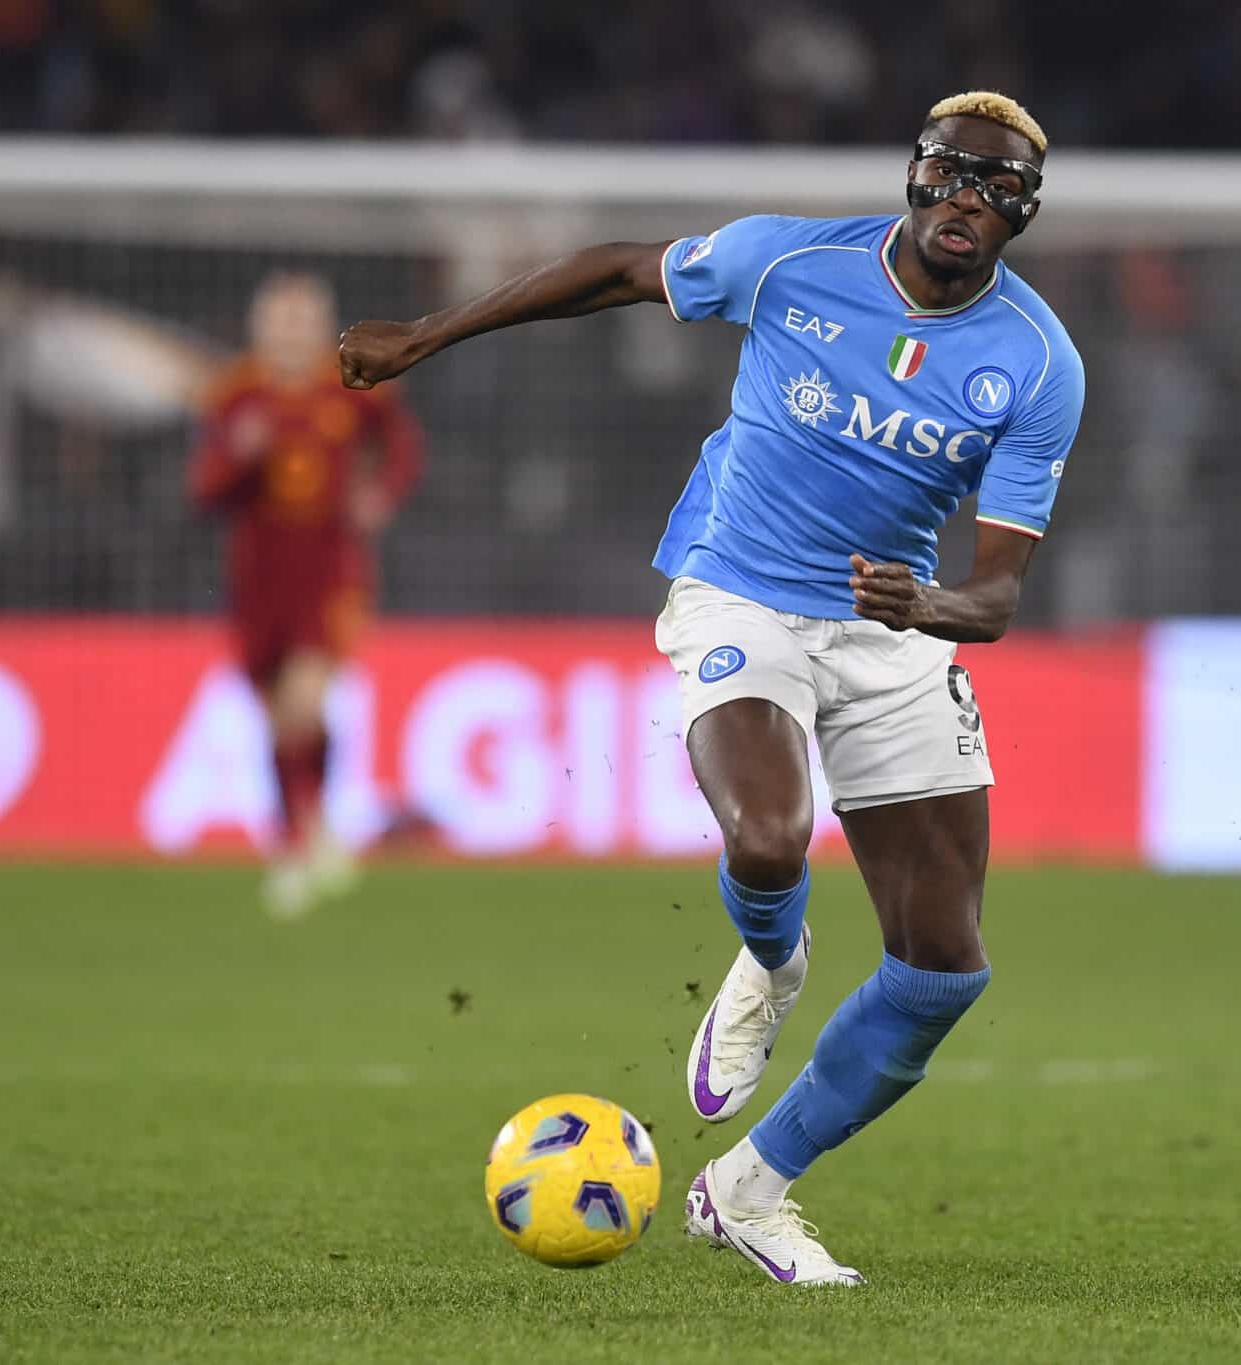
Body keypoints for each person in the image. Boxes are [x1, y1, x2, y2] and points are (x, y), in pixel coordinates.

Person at [339, 91, 1082, 1286]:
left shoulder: (1038, 365)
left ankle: (746, 1191)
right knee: (770, 837)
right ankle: (773, 965)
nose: (967, 200)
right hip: (742, 591)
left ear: (1024, 216)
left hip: (894, 628)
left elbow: (993, 597)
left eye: (998, 189)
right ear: (913, 174)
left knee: (942, 970)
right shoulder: (786, 261)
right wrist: (427, 335)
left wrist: (927, 607)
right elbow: (614, 271)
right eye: (951, 171)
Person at [190, 272, 424, 918]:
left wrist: (380, 495)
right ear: (259, 327)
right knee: (278, 720)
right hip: (259, 579)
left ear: (323, 327)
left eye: (302, 320)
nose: (290, 333)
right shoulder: (235, 395)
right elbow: (204, 490)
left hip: (331, 574)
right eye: (280, 319)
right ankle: (310, 829)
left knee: (303, 702)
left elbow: (402, 450)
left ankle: (294, 846)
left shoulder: (355, 384)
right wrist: (240, 457)